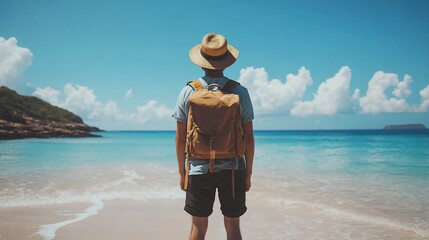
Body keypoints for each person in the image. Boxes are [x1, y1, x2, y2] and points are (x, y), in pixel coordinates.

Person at [173, 33, 254, 240]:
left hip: (198, 168)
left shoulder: (187, 92)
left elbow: (180, 138)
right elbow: (249, 137)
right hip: (234, 169)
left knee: (198, 228)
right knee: (233, 227)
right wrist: (248, 174)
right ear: (226, 62)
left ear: (201, 62)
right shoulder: (239, 91)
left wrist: (183, 173)